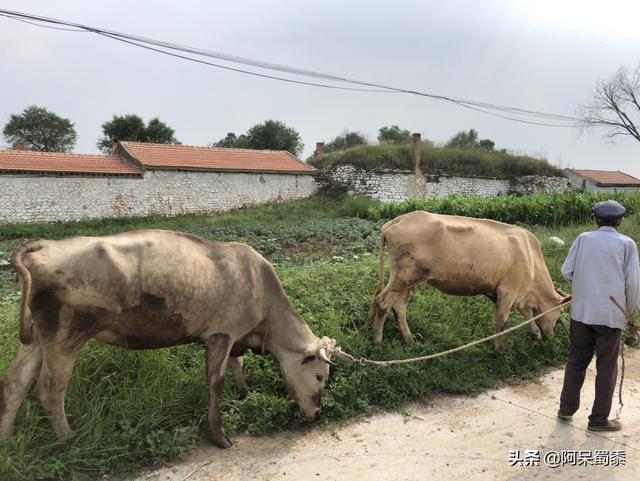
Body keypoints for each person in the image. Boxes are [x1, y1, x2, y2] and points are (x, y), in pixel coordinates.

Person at [558, 200, 640, 432]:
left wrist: (586, 284)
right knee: (606, 366)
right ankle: (598, 421)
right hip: (611, 316)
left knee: (576, 360)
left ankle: (566, 409)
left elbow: (566, 272)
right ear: (620, 221)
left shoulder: (583, 239)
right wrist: (632, 315)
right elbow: (633, 284)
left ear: (596, 220)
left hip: (582, 313)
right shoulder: (627, 244)